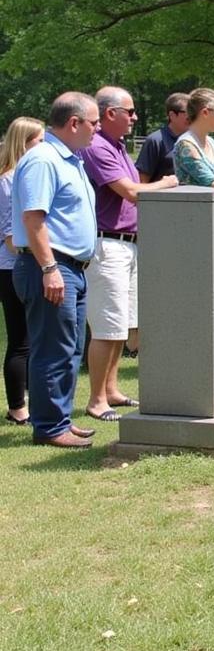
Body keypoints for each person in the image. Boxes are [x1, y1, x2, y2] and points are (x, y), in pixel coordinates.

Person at [81, 86, 178, 421]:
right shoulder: (96, 146)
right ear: (110, 113)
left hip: (127, 243)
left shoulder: (117, 146)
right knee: (108, 326)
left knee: (122, 324)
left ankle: (111, 390)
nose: (135, 117)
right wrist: (166, 183)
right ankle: (95, 400)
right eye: (130, 111)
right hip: (107, 245)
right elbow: (131, 191)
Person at [12, 93, 99, 448]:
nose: (97, 130)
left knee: (70, 349)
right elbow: (33, 219)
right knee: (52, 349)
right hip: (50, 267)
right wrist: (49, 268)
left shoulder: (70, 160)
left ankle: (59, 419)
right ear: (74, 123)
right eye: (93, 123)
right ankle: (49, 427)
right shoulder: (43, 160)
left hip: (71, 268)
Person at [0, 117, 45, 425]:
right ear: (24, 143)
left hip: (24, 263)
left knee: (31, 337)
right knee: (20, 339)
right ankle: (18, 407)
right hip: (10, 266)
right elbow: (9, 234)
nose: (44, 148)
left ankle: (30, 400)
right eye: (40, 141)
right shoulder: (8, 180)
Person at [136, 92, 189, 181]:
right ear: (172, 115)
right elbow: (142, 180)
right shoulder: (156, 141)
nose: (192, 117)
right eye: (188, 112)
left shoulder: (194, 141)